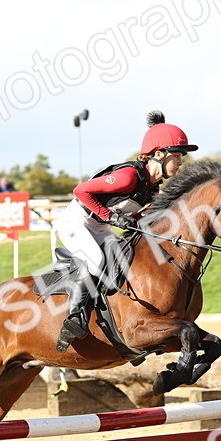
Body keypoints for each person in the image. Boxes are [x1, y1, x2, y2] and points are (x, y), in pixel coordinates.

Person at [53, 110, 197, 351]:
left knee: (124, 263)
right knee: (98, 260)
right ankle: (74, 319)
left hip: (98, 226)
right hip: (76, 222)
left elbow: (140, 215)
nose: (181, 162)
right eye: (177, 156)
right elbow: (80, 191)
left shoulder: (151, 188)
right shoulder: (128, 177)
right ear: (159, 154)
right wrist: (110, 216)